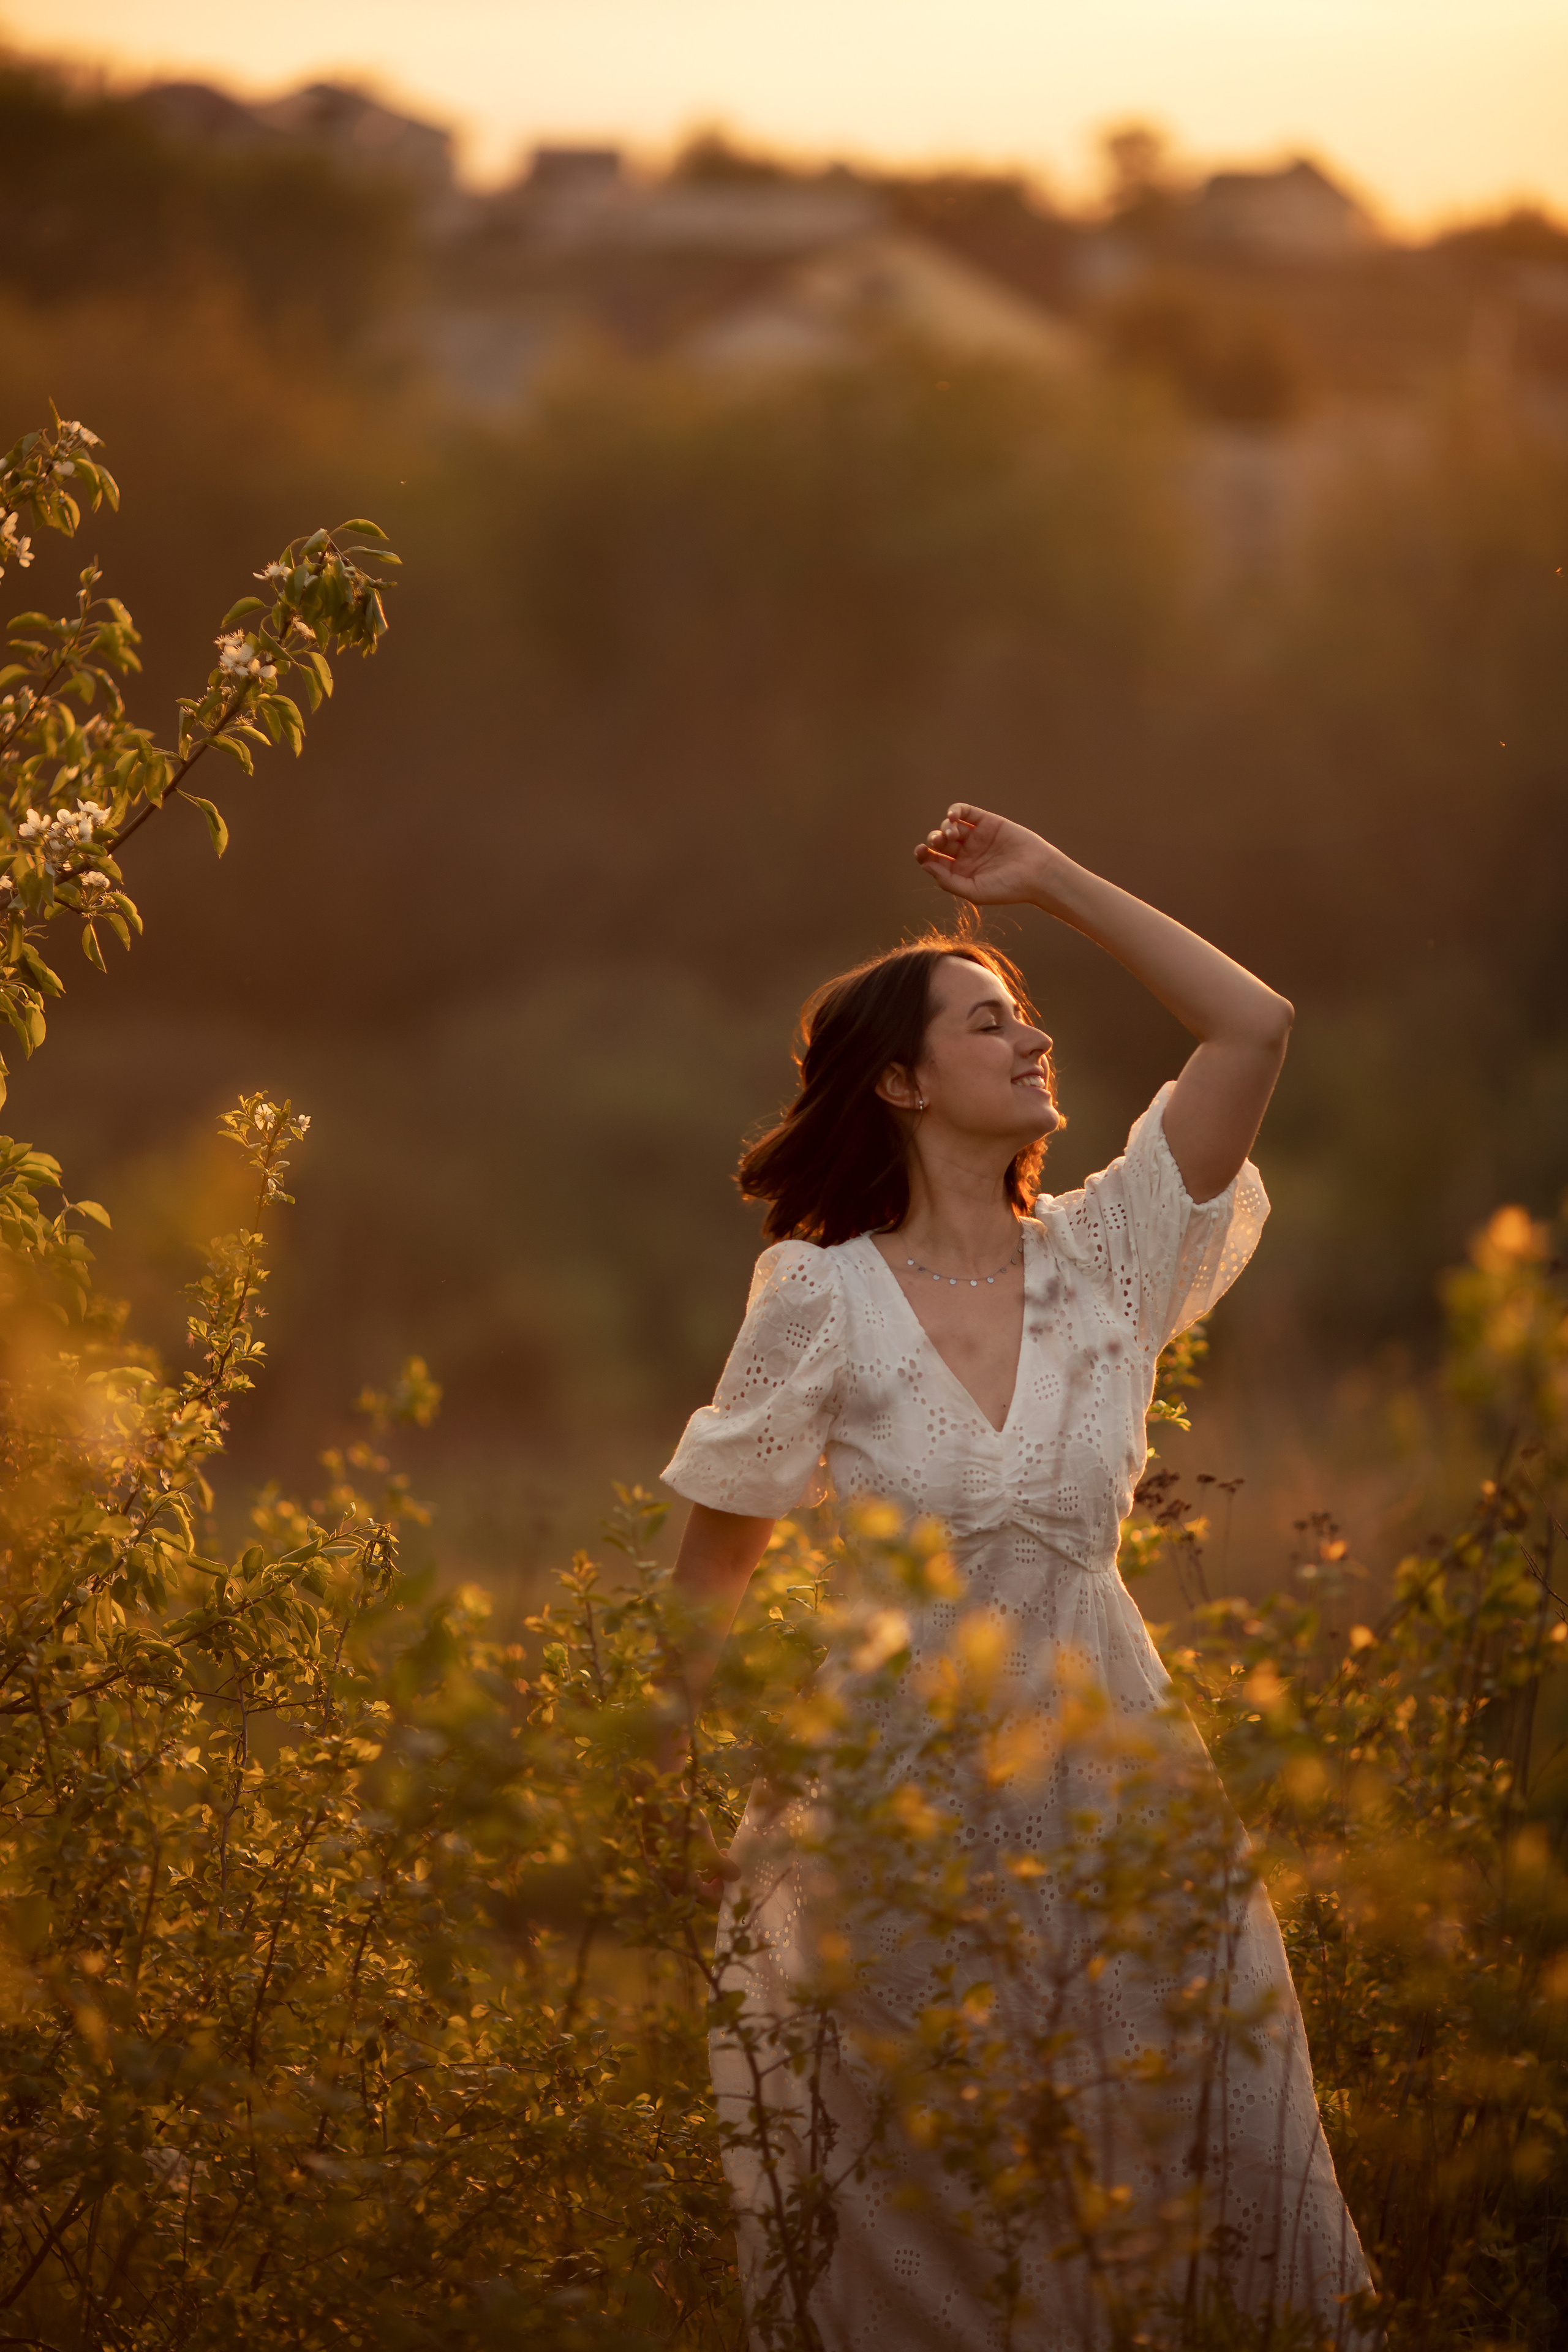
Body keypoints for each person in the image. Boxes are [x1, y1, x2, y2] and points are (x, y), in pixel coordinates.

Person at [658, 804, 1370, 2350]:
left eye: (1028, 1015)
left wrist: (1046, 887)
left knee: (1176, 2151)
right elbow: (711, 1565)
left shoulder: (1108, 1258)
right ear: (902, 1085)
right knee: (934, 2212)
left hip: (1118, 1785)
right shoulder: (818, 1296)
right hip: (888, 1810)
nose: (1032, 1040)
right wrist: (676, 1781)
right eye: (990, 1024)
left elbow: (1253, 1023)